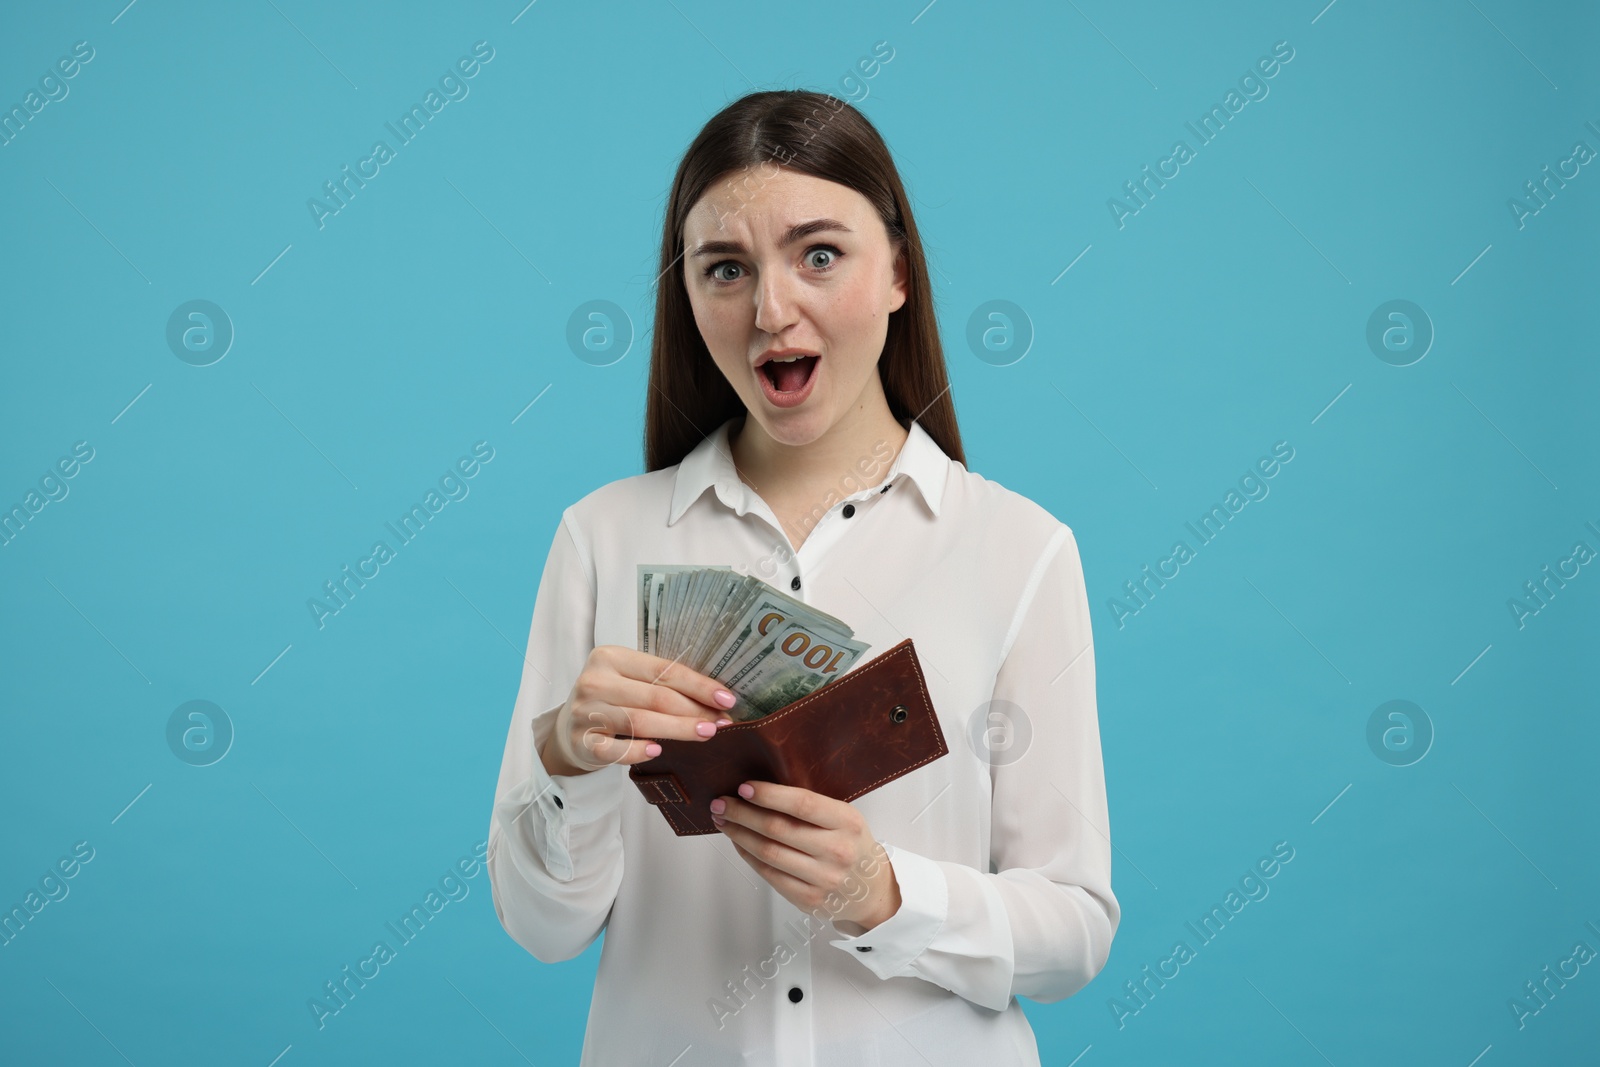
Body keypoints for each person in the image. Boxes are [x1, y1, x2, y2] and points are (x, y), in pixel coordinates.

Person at [487, 89, 1118, 1066]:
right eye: (726, 269)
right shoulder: (600, 537)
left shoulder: (1019, 548)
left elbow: (1073, 929)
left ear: (899, 269)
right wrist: (567, 760)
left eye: (819, 253)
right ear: (687, 295)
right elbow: (542, 927)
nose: (771, 309)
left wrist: (887, 894)